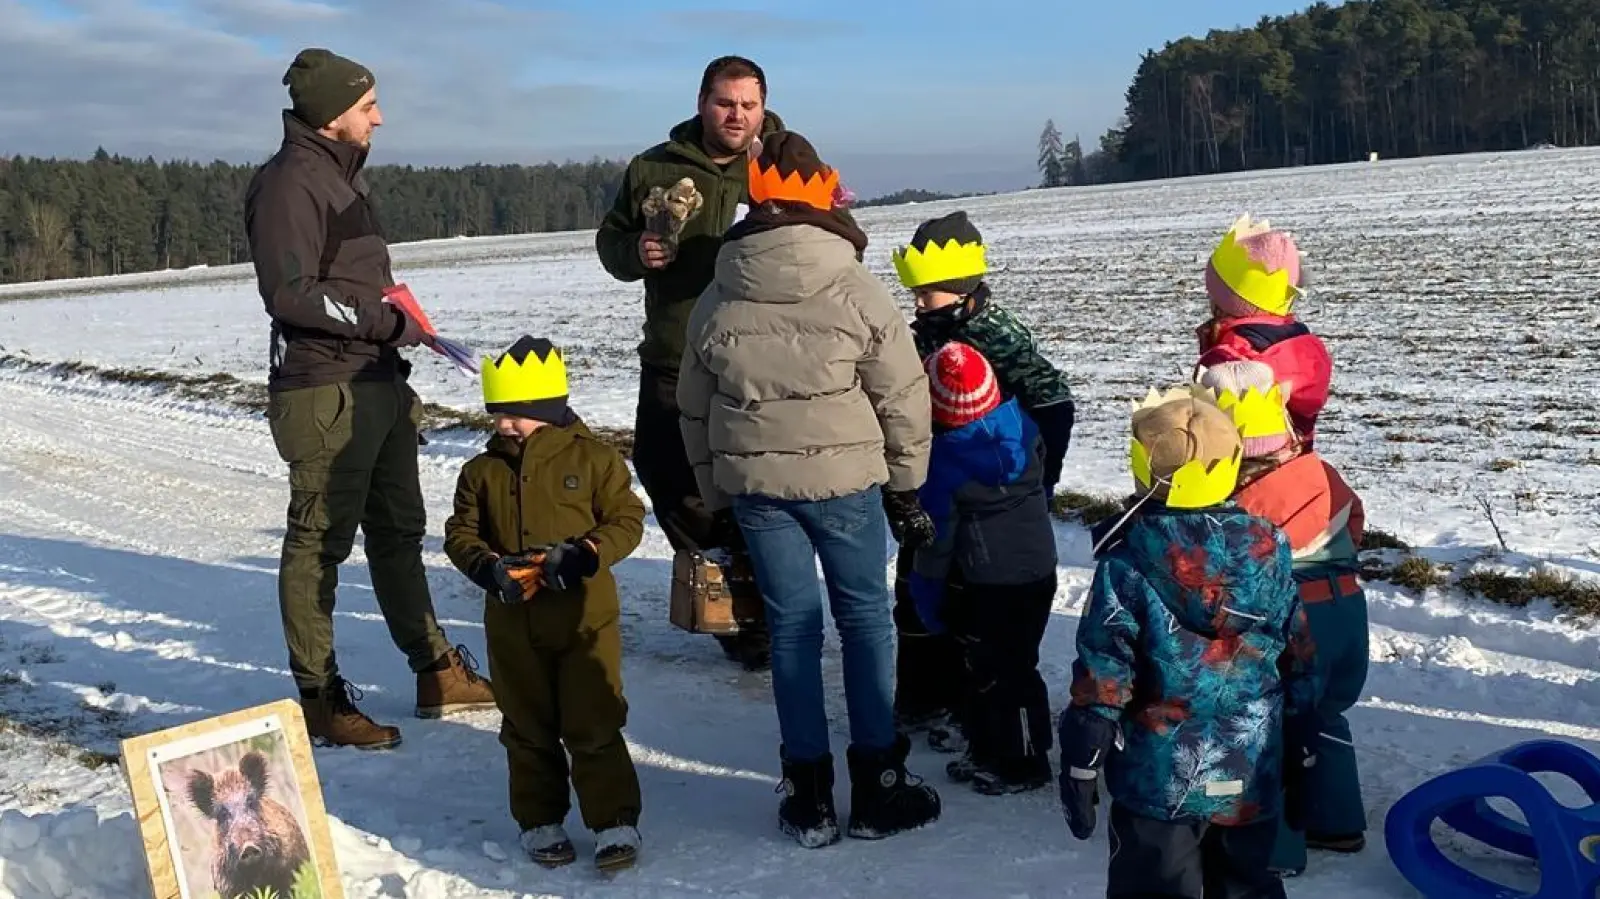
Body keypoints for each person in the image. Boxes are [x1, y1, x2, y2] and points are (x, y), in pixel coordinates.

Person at [677, 131, 941, 848]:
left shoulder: (720, 287)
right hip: (848, 482)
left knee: (793, 630)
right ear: (824, 193)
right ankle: (879, 784)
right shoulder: (854, 283)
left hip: (760, 489)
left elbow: (693, 406)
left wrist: (718, 492)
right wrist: (908, 485)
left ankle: (809, 793)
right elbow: (902, 391)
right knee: (865, 623)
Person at [244, 47, 493, 750]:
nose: (379, 118)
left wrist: (394, 328)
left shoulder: (337, 177)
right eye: (366, 106)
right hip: (325, 391)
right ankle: (321, 698)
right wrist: (387, 321)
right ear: (330, 116)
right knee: (319, 544)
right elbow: (290, 292)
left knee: (398, 533)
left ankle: (435, 669)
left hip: (376, 383)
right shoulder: (292, 183)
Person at [1057, 386, 1320, 899]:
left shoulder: (1126, 562)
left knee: (1153, 886)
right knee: (1248, 885)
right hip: (1248, 767)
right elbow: (1299, 657)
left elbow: (1104, 672)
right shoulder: (1269, 551)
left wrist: (1082, 752)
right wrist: (1305, 741)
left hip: (1159, 780)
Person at [594, 55, 786, 671]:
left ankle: (776, 607)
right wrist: (636, 251)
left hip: (760, 358)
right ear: (702, 102)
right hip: (676, 354)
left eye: (748, 105)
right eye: (725, 103)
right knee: (666, 470)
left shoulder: (783, 162)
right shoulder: (655, 166)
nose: (736, 115)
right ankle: (735, 597)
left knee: (758, 486)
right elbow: (611, 241)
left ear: (763, 108)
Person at [443, 336, 646, 872]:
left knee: (593, 720)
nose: (505, 425)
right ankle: (540, 821)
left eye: (517, 416)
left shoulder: (596, 459)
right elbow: (460, 533)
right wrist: (487, 568)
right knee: (526, 724)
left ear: (549, 410)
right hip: (512, 623)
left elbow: (627, 520)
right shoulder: (481, 472)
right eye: (498, 415)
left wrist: (587, 554)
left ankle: (614, 821)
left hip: (585, 619)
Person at [888, 210, 1076, 750]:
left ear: (963, 291)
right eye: (917, 295)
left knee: (965, 605)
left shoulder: (994, 337)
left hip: (988, 499)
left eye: (928, 295)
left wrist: (1038, 480)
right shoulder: (930, 332)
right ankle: (923, 697)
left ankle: (971, 706)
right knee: (919, 588)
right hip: (938, 483)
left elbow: (1054, 402)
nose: (918, 305)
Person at [1199, 361, 1370, 875]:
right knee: (1327, 715)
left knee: (1269, 730)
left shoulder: (1246, 500)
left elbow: (1233, 567)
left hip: (1297, 619)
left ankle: (1275, 850)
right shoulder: (1321, 471)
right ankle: (1338, 823)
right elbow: (1355, 516)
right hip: (1346, 607)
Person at [907, 343, 1057, 796]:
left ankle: (1026, 760)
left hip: (992, 580)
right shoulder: (1022, 426)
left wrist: (926, 595)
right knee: (997, 665)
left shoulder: (945, 465)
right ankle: (989, 747)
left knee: (1005, 670)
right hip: (1038, 570)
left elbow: (936, 543)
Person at [1194, 214, 1332, 447]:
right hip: (1296, 463)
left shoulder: (1231, 356)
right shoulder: (1303, 344)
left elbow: (1209, 432)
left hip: (1246, 473)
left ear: (1224, 301)